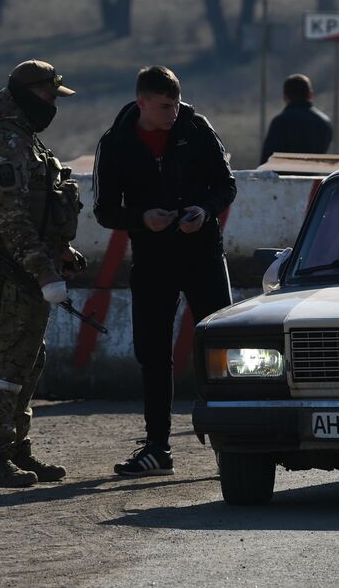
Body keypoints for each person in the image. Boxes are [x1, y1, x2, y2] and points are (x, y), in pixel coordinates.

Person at [94, 66, 236, 477]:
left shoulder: (196, 128)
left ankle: (231, 444)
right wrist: (142, 218)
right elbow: (104, 210)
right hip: (153, 261)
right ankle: (157, 448)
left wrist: (204, 211)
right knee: (153, 355)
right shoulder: (116, 142)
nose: (172, 112)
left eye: (175, 103)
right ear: (142, 103)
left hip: (203, 255)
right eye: (163, 106)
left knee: (221, 348)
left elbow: (226, 184)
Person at [0, 60, 83, 488]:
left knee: (29, 358)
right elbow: (11, 219)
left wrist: (60, 253)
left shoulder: (23, 139)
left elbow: (38, 207)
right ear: (29, 94)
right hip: (5, 268)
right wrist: (44, 270)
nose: (53, 106)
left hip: (24, 266)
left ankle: (14, 448)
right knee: (7, 359)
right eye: (49, 97)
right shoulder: (3, 143)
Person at [260, 73, 333, 165]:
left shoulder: (280, 122)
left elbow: (266, 160)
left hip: (283, 178)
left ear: (285, 96)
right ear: (310, 94)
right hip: (314, 178)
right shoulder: (325, 123)